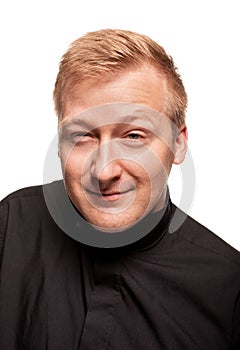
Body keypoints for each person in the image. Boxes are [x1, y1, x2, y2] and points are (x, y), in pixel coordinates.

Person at [0, 29, 239, 350]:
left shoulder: (229, 289)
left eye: (134, 136)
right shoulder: (9, 225)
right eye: (82, 135)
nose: (105, 171)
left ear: (179, 143)